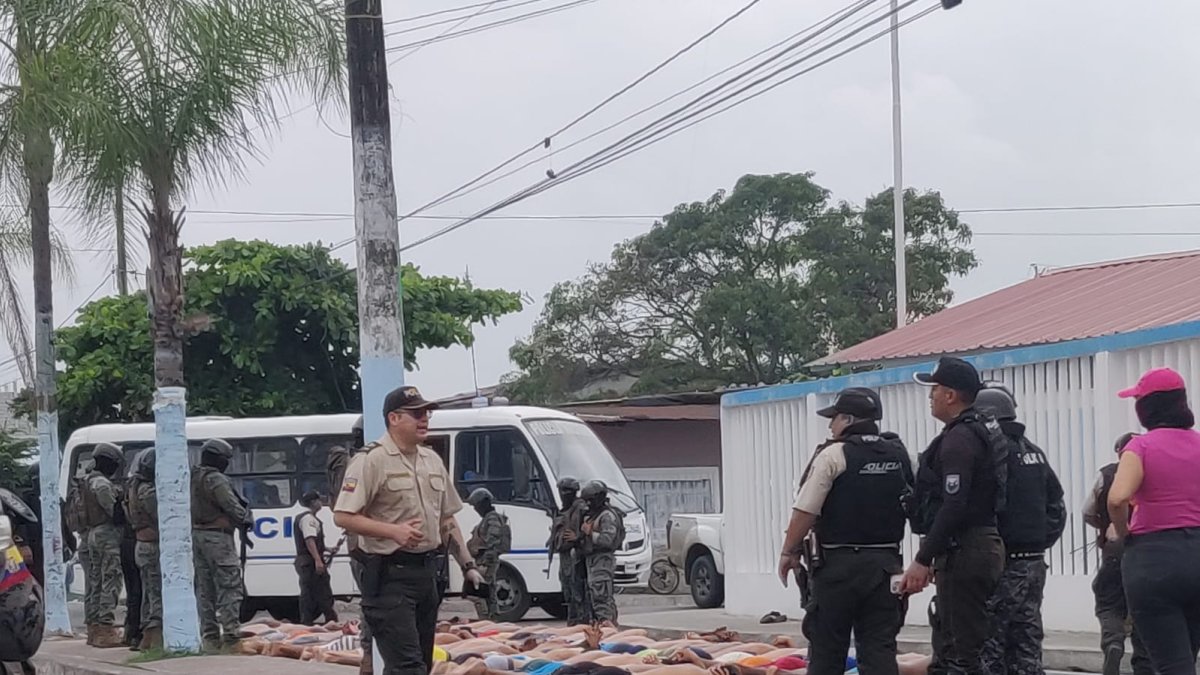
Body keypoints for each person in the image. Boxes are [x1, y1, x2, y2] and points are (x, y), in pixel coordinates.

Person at [333, 386, 485, 675]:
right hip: (388, 577)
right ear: (393, 418)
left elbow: (447, 520)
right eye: (416, 413)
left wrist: (468, 565)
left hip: (426, 576)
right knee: (408, 668)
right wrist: (392, 531)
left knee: (419, 666)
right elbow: (343, 515)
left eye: (427, 413)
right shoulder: (371, 460)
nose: (425, 419)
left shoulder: (431, 461)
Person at [777, 386, 913, 675]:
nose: (830, 424)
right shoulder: (900, 455)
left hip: (837, 569)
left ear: (849, 420)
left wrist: (789, 551)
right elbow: (921, 507)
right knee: (879, 650)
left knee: (828, 650)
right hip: (885, 567)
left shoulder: (833, 455)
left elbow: (805, 510)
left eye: (834, 417)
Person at [900, 357, 1006, 675]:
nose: (930, 396)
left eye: (934, 389)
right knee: (960, 642)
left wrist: (922, 558)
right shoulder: (979, 431)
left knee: (960, 649)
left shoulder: (959, 439)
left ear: (950, 395)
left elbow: (954, 503)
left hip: (966, 550)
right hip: (976, 546)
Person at [1108, 367, 1200, 675]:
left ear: (1146, 407)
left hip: (1154, 560)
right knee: (1189, 652)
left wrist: (1124, 533)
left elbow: (1117, 498)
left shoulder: (1140, 447)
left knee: (1173, 665)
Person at [974, 386, 1066, 675]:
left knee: (990, 642)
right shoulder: (1033, 451)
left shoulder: (994, 453)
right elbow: (1057, 506)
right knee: (1027, 641)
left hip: (1005, 562)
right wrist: (1039, 540)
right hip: (1034, 562)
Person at [1084, 432, 1152, 675]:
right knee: (1144, 606)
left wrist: (1110, 528)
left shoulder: (1106, 474)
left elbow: (1088, 512)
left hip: (1115, 547)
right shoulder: (1152, 474)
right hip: (1150, 550)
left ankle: (1113, 642)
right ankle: (1143, 662)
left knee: (1109, 603)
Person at [191, 438, 252, 649]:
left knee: (205, 590)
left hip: (198, 537)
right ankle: (232, 637)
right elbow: (231, 506)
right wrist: (245, 518)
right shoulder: (215, 479)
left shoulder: (193, 477)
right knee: (229, 587)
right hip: (218, 538)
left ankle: (210, 638)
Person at [329, 416, 372, 675]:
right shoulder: (359, 465)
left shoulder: (349, 463)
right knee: (373, 603)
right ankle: (368, 657)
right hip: (365, 543)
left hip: (360, 541)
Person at [83, 442, 127, 649]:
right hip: (106, 534)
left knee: (96, 580)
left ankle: (93, 628)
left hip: (92, 533)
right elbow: (115, 514)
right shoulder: (101, 484)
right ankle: (105, 627)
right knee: (111, 579)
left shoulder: (86, 481)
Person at [123, 447, 162, 651]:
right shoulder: (148, 491)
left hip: (142, 543)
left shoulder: (134, 487)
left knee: (148, 591)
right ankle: (153, 636)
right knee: (154, 592)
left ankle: (146, 635)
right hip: (151, 544)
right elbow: (159, 515)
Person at [18, 463, 76, 590]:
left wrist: (71, 545)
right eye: (34, 479)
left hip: (55, 549)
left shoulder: (57, 500)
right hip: (35, 549)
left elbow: (65, 525)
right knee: (36, 585)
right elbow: (19, 524)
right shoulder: (25, 499)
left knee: (59, 584)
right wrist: (24, 544)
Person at [581, 480, 624, 625]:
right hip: (592, 560)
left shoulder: (607, 516)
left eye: (590, 500)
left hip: (603, 560)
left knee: (602, 597)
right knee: (594, 596)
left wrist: (590, 533)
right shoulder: (593, 514)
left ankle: (608, 626)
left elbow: (608, 540)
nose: (587, 504)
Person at [467, 488, 512, 620]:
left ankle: (486, 618)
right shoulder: (488, 518)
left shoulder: (492, 518)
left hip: (487, 560)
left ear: (484, 503)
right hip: (484, 559)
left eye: (477, 506)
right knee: (489, 591)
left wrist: (486, 562)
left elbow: (493, 540)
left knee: (479, 592)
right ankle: (492, 618)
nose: (476, 509)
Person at [295, 490, 339, 625]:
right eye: (319, 500)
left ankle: (311, 622)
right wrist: (318, 560)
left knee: (312, 592)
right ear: (313, 502)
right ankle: (327, 621)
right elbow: (309, 540)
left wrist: (327, 549)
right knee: (321, 592)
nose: (321, 502)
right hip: (310, 562)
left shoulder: (306, 518)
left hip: (306, 561)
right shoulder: (309, 519)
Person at [550, 477, 588, 626]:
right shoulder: (565, 509)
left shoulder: (580, 508)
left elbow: (588, 527)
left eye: (565, 492)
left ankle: (580, 622)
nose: (562, 495)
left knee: (577, 592)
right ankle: (573, 621)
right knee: (568, 591)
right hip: (565, 556)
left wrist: (578, 537)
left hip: (575, 555)